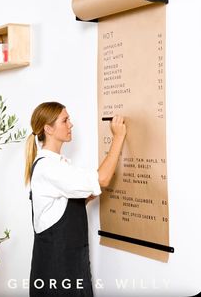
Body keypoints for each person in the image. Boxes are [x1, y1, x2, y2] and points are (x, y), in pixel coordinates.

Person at [25, 101, 127, 296]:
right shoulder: (49, 168)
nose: (71, 125)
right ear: (49, 129)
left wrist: (88, 191)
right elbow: (103, 178)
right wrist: (119, 137)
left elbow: (70, 201)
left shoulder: (59, 165)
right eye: (65, 120)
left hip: (70, 263)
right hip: (56, 269)